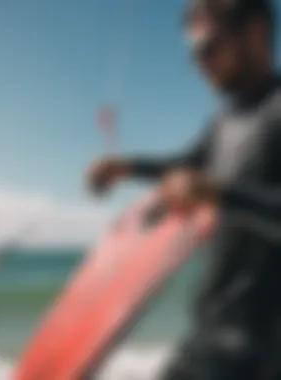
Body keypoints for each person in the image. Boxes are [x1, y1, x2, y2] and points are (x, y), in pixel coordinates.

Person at [87, 0, 281, 378]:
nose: (198, 65)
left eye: (205, 48)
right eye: (191, 54)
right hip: (209, 333)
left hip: (260, 353)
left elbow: (209, 187)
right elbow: (186, 165)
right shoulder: (225, 120)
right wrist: (126, 168)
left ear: (256, 31)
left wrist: (219, 194)